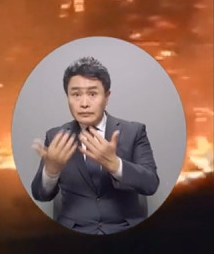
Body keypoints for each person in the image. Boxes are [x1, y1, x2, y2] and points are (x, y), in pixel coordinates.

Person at [29, 56, 160, 234]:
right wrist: (51, 172)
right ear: (67, 97)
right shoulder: (56, 137)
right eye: (76, 94)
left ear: (107, 96)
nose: (84, 104)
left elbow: (151, 184)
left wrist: (115, 165)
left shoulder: (134, 131)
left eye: (92, 94)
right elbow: (40, 195)